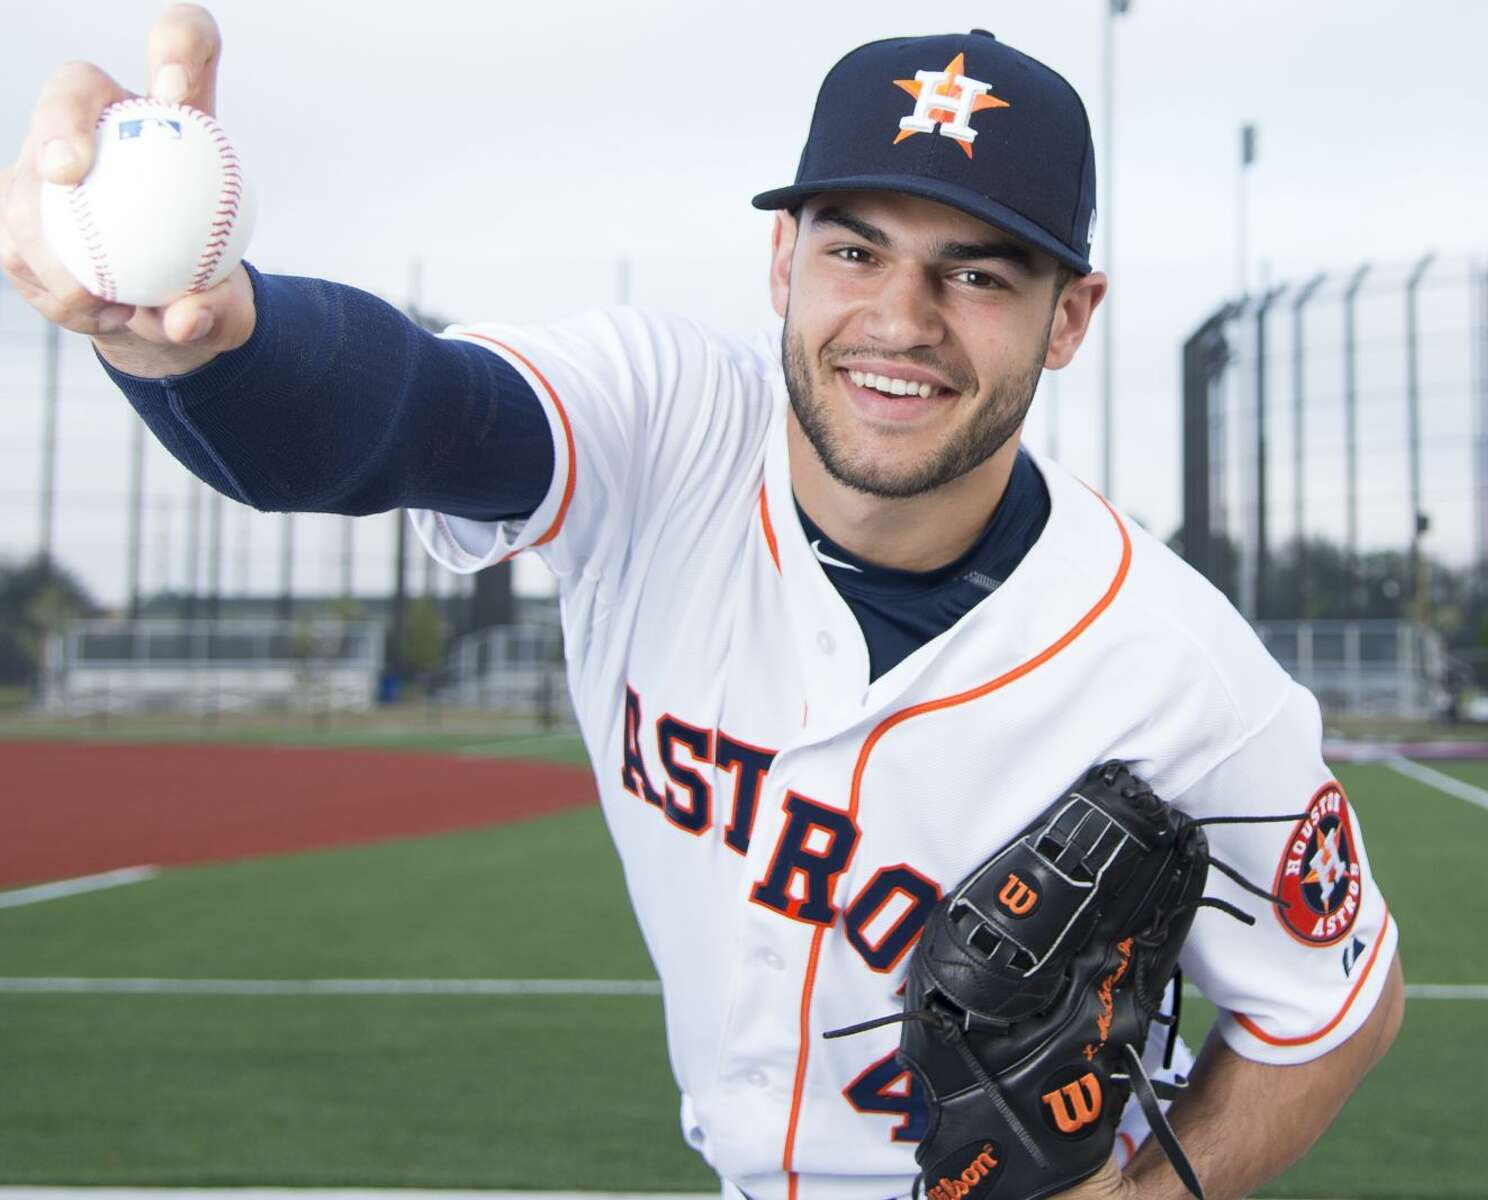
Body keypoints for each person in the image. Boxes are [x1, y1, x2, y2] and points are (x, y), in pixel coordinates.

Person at [0, 9, 1404, 1200]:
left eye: (978, 273)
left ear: (1070, 318)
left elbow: (1339, 1008)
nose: (904, 318)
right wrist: (204, 339)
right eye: (856, 250)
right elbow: (401, 412)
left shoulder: (1183, 679)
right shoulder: (662, 428)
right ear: (782, 260)